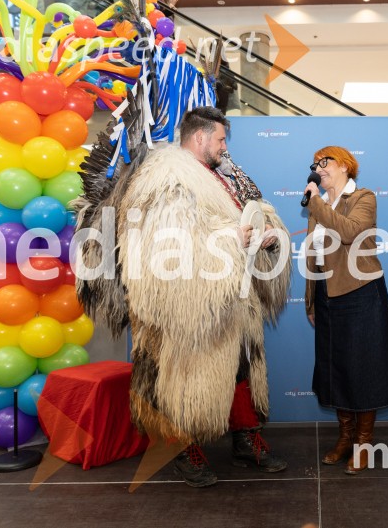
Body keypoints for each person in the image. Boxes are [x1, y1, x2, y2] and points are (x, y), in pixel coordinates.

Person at [115, 106, 291, 488]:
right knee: (181, 376)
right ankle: (182, 448)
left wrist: (268, 237)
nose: (225, 147)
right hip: (185, 309)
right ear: (200, 138)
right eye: (221, 139)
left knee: (241, 367)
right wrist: (233, 240)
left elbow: (252, 215)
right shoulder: (167, 181)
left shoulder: (224, 178)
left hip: (234, 300)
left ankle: (246, 441)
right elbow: (170, 244)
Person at [302, 146, 388, 475]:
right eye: (315, 164)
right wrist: (312, 299)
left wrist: (316, 202)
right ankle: (345, 437)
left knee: (365, 370)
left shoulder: (363, 197)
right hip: (328, 296)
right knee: (337, 370)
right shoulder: (320, 204)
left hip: (361, 294)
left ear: (345, 166)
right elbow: (314, 255)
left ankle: (363, 442)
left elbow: (348, 233)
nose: (319, 168)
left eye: (324, 162)